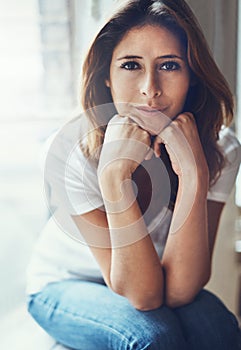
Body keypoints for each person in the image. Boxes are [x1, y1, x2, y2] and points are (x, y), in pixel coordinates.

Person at [27, 0, 241, 349]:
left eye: (170, 65)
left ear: (193, 77)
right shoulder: (70, 151)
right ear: (107, 78)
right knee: (151, 338)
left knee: (218, 329)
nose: (150, 89)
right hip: (67, 283)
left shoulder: (222, 149)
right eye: (131, 65)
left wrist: (193, 173)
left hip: (158, 277)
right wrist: (114, 177)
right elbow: (144, 297)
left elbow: (183, 289)